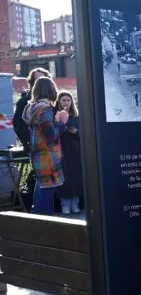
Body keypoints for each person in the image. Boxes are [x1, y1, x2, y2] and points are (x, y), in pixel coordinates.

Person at [23, 76, 68, 215]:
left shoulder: (31, 107)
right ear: (50, 89)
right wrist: (62, 122)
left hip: (38, 155)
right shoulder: (45, 109)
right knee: (47, 192)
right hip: (49, 156)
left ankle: (40, 225)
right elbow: (51, 136)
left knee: (42, 188)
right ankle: (43, 228)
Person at [55, 91, 83, 215]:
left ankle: (75, 204)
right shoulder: (56, 116)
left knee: (76, 178)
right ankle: (65, 205)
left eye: (68, 100)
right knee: (65, 179)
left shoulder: (77, 116)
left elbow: (86, 133)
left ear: (72, 102)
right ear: (59, 102)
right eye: (63, 100)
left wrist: (76, 132)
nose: (66, 102)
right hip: (62, 151)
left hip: (76, 152)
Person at [14, 67, 52, 153]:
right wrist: (28, 141)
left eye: (43, 79)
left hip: (54, 146)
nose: (40, 82)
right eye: (37, 79)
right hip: (35, 146)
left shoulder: (54, 100)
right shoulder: (23, 102)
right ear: (32, 82)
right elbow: (18, 124)